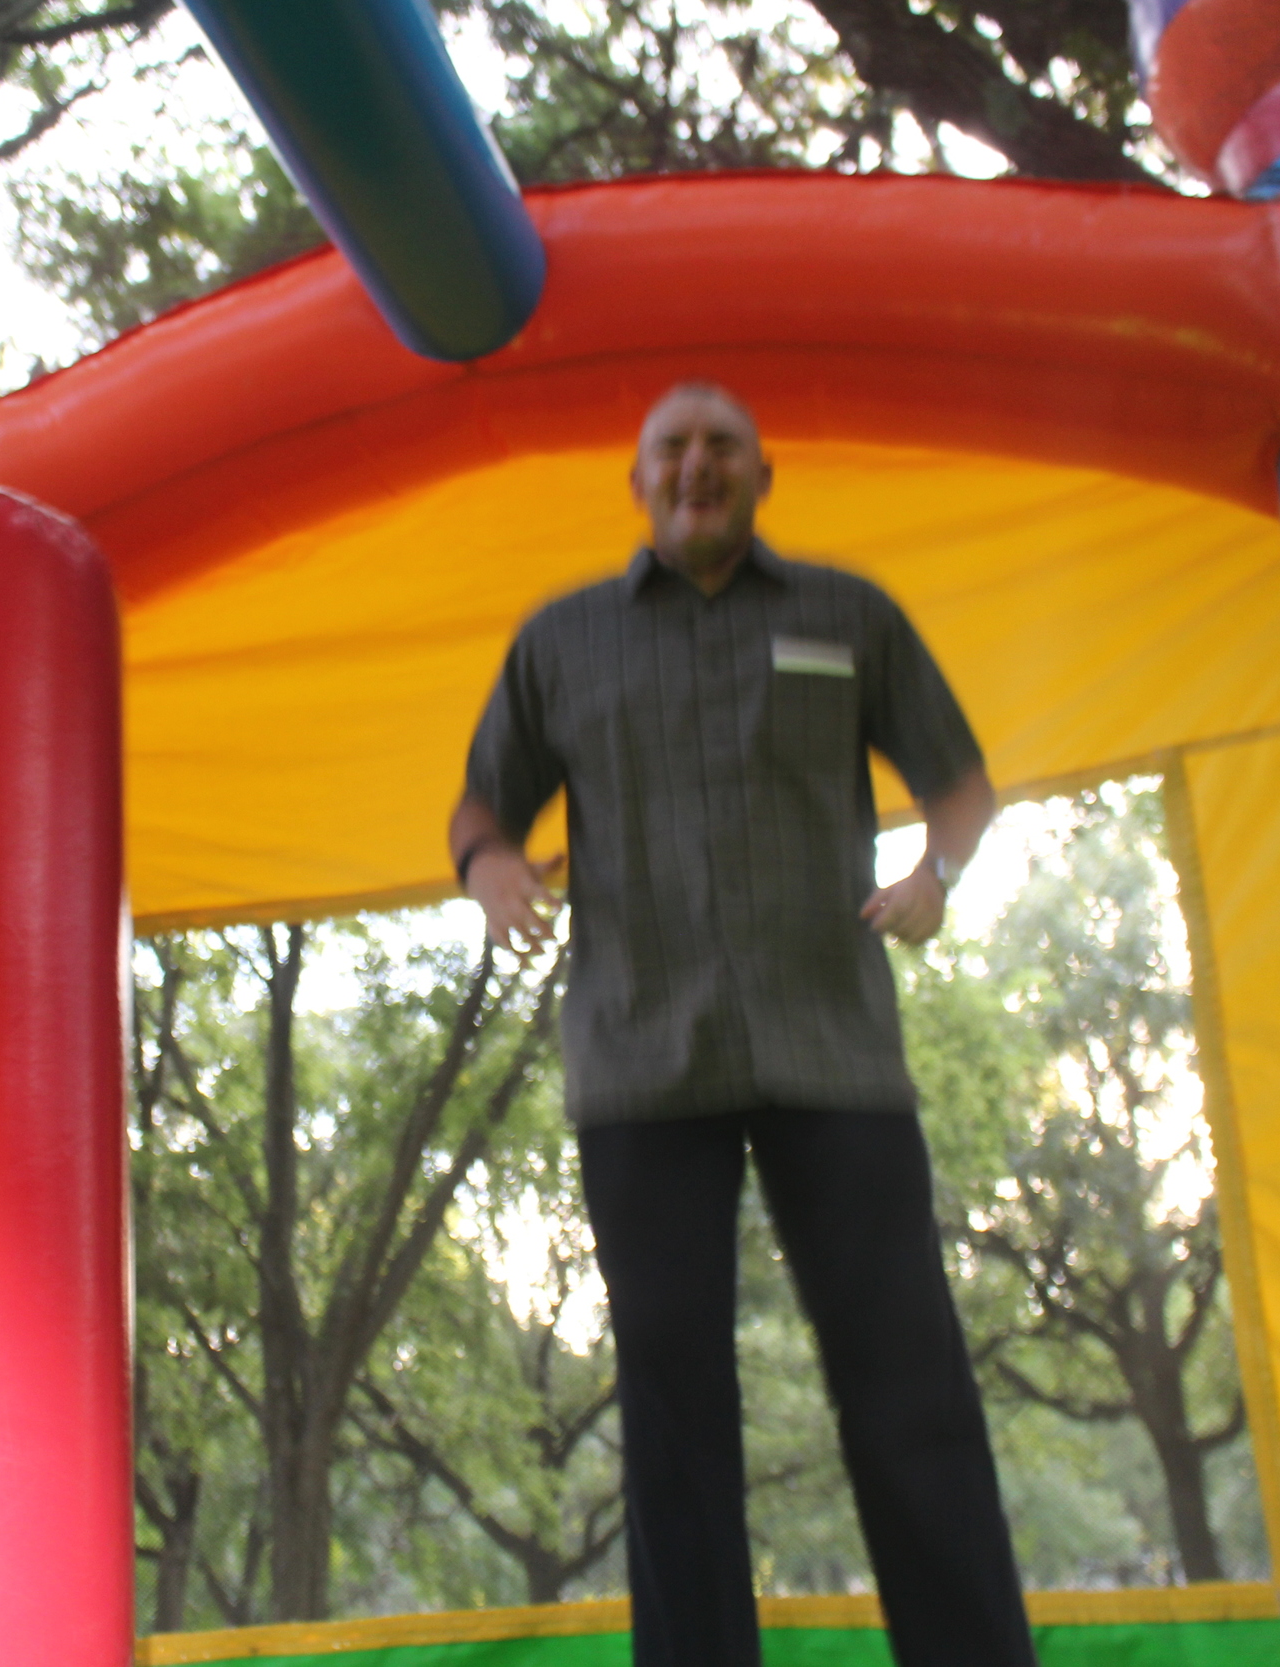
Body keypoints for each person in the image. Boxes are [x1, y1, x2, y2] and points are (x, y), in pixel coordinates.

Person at [449, 383, 1033, 1667]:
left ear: (765, 476)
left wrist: (938, 871)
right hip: (642, 1065)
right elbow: (481, 809)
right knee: (672, 1415)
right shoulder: (561, 642)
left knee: (908, 1388)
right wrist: (493, 868)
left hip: (834, 1054)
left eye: (722, 448)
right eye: (673, 449)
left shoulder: (849, 612)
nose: (697, 466)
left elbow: (961, 783)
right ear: (639, 483)